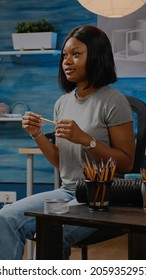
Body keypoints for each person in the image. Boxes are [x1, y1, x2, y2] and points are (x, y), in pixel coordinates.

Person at [0, 25, 135, 260]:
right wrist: (37, 134)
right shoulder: (62, 103)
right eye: (64, 55)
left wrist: (86, 139)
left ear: (95, 55)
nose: (67, 61)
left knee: (53, 230)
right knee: (6, 217)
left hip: (102, 196)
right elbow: (61, 163)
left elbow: (125, 163)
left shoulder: (114, 101)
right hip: (67, 191)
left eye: (75, 54)